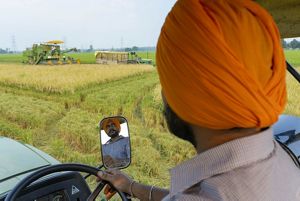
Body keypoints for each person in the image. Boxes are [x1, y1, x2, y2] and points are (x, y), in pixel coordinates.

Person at [97, 0, 300, 200]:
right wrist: (131, 187)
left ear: (188, 95)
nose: (164, 95)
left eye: (166, 82)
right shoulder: (287, 162)